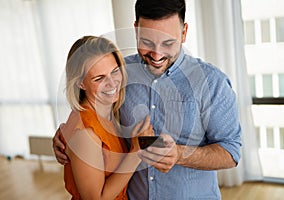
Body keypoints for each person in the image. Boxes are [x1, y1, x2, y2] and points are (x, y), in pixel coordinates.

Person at [53, 0, 242, 199]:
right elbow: (92, 115)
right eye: (147, 42)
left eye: (168, 43)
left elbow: (230, 152)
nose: (157, 54)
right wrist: (64, 138)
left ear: (184, 33)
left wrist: (180, 154)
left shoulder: (212, 82)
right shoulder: (120, 73)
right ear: (136, 30)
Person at [60, 35, 154, 200]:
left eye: (115, 71)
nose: (112, 83)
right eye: (99, 78)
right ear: (80, 83)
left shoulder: (110, 112)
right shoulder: (85, 133)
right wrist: (136, 152)